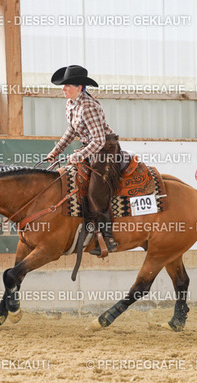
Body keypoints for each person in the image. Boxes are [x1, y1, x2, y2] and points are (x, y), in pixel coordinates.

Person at [47, 65, 121, 255]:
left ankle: (108, 238)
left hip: (105, 150)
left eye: (67, 85)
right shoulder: (71, 104)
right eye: (63, 85)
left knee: (96, 190)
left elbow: (99, 140)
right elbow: (71, 130)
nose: (63, 89)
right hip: (91, 148)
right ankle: (84, 227)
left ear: (79, 87)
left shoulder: (88, 107)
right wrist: (56, 150)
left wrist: (79, 155)